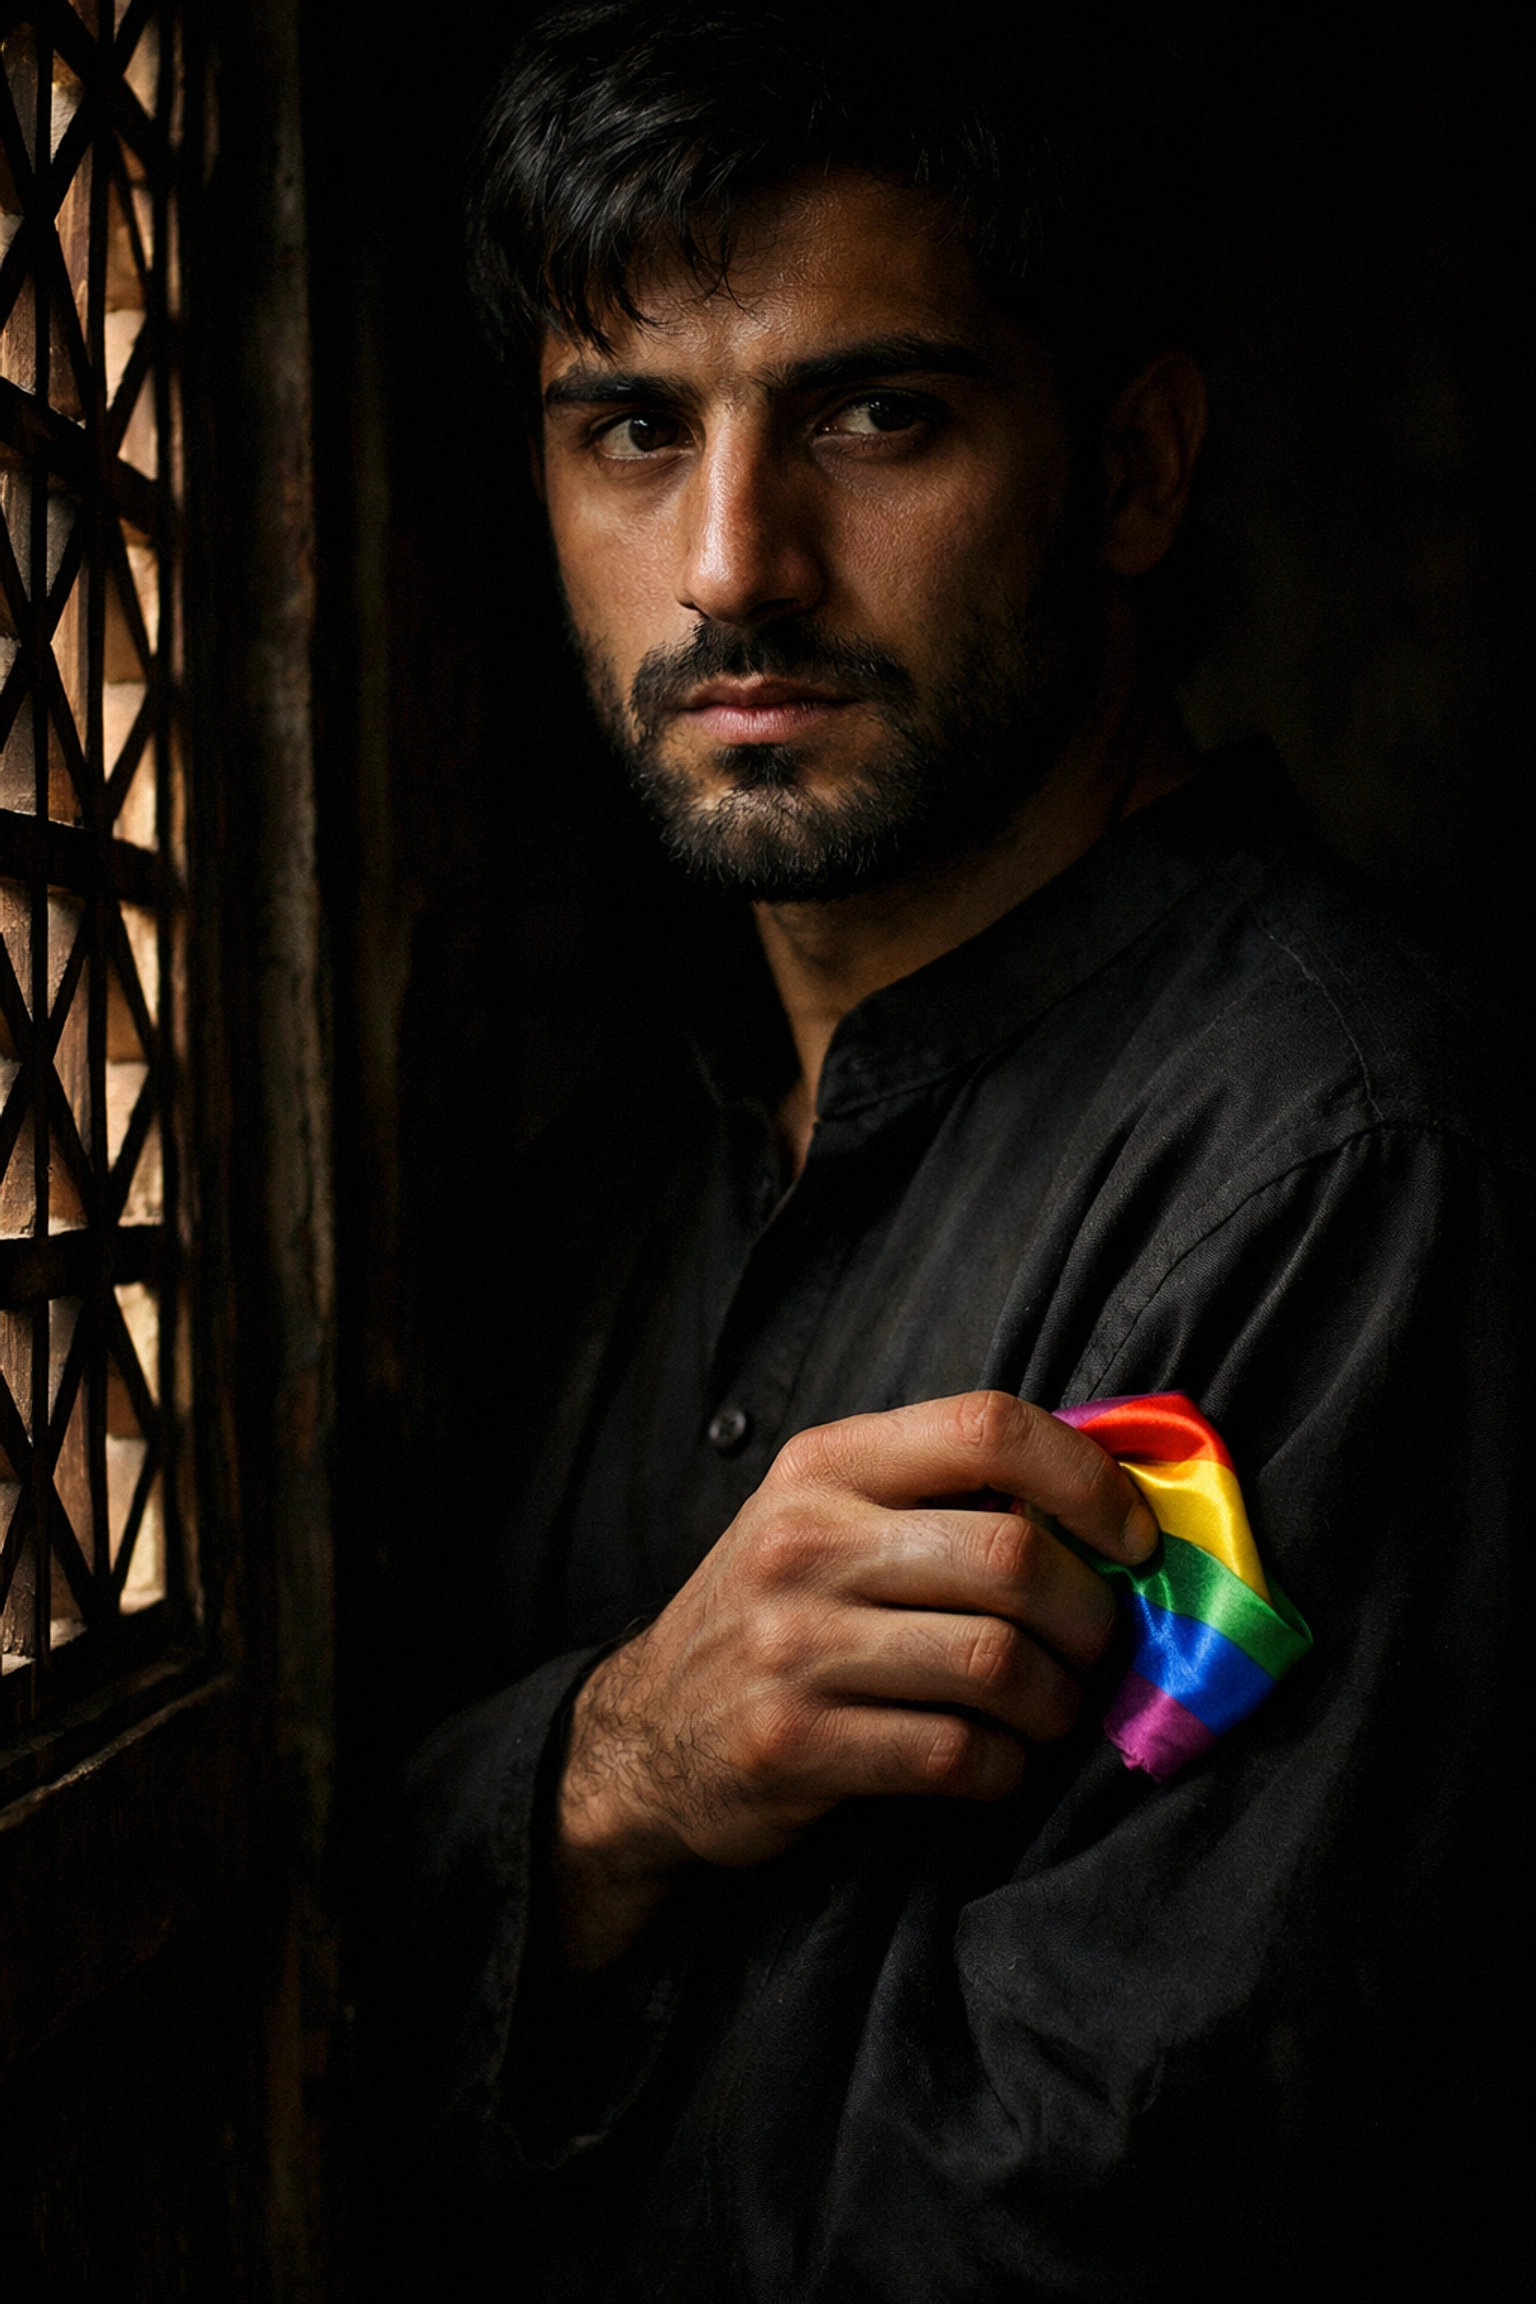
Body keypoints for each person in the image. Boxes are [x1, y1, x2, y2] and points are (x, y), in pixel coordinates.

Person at [381, 5, 1526, 2296]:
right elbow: (288, 1923)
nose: (732, 565)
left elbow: (1076, 2225)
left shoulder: (1339, 1171)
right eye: (630, 430)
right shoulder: (602, 1176)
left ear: (1131, 469)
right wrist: (613, 1771)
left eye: (875, 413)